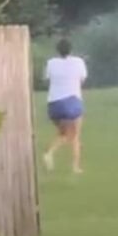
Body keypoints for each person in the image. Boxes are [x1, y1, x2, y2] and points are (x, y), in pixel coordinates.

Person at [43, 38, 88, 174]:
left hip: (54, 104)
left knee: (63, 133)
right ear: (71, 49)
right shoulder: (78, 62)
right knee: (73, 135)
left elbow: (47, 79)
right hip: (72, 101)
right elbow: (82, 79)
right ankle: (72, 165)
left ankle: (56, 155)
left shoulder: (51, 63)